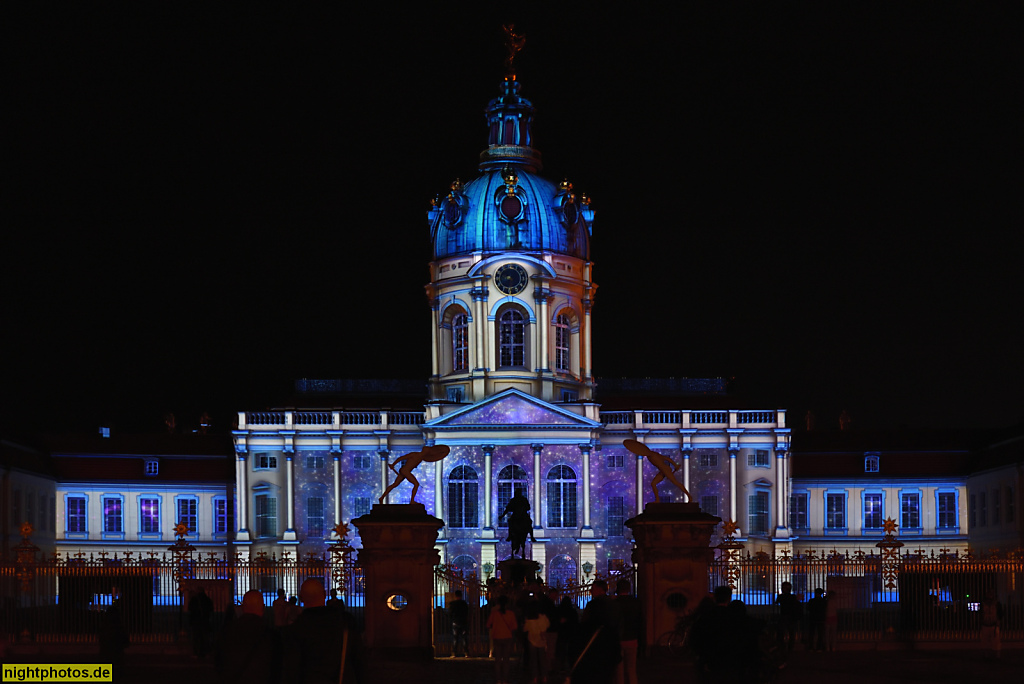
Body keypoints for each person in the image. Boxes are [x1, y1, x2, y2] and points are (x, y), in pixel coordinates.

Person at [283, 578, 364, 683]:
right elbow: (359, 662)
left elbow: (292, 669)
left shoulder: (295, 629)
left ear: (301, 598)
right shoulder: (345, 621)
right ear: (325, 594)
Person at [218, 590, 282, 684]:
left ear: (243, 608)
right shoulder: (272, 636)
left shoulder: (227, 632)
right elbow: (276, 670)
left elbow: (220, 663)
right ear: (263, 608)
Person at [573, 579, 621, 684]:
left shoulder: (593, 605)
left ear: (599, 589)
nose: (590, 591)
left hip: (595, 645)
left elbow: (585, 625)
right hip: (611, 644)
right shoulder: (614, 604)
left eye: (593, 588)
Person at [487, 594, 519, 684]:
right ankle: (505, 679)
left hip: (497, 636)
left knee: (497, 660)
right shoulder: (511, 614)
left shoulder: (494, 614)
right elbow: (515, 626)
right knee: (506, 660)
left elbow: (488, 624)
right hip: (507, 637)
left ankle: (498, 679)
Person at [614, 579, 642, 684]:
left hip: (618, 640)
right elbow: (640, 621)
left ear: (617, 589)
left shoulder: (615, 604)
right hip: (632, 639)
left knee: (619, 671)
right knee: (631, 669)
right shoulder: (636, 602)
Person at [523, 601, 550, 684]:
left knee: (533, 660)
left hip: (532, 640)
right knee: (542, 660)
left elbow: (525, 629)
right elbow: (548, 625)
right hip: (541, 640)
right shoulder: (543, 617)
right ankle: (544, 677)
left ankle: (535, 677)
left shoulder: (529, 619)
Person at [774, 581, 801, 653]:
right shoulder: (793, 597)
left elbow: (776, 602)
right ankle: (790, 648)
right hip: (792, 617)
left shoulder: (781, 596)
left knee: (781, 633)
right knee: (791, 634)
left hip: (784, 616)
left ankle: (782, 647)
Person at [188, 586, 214, 658]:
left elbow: (190, 609)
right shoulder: (207, 599)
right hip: (205, 620)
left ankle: (196, 652)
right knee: (205, 637)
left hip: (196, 621)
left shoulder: (194, 599)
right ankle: (205, 652)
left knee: (196, 637)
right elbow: (211, 609)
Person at [981, 590, 1003, 658]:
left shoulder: (996, 604)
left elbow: (1000, 613)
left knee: (996, 641)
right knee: (985, 641)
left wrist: (998, 621)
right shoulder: (983, 604)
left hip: (994, 624)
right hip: (986, 624)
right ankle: (987, 655)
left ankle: (996, 655)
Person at [449, 589, 470, 657]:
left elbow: (450, 613)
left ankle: (454, 653)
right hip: (463, 622)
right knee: (464, 638)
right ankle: (466, 652)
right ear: (461, 595)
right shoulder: (464, 603)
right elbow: (467, 612)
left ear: (455, 596)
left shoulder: (453, 604)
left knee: (455, 638)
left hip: (455, 622)